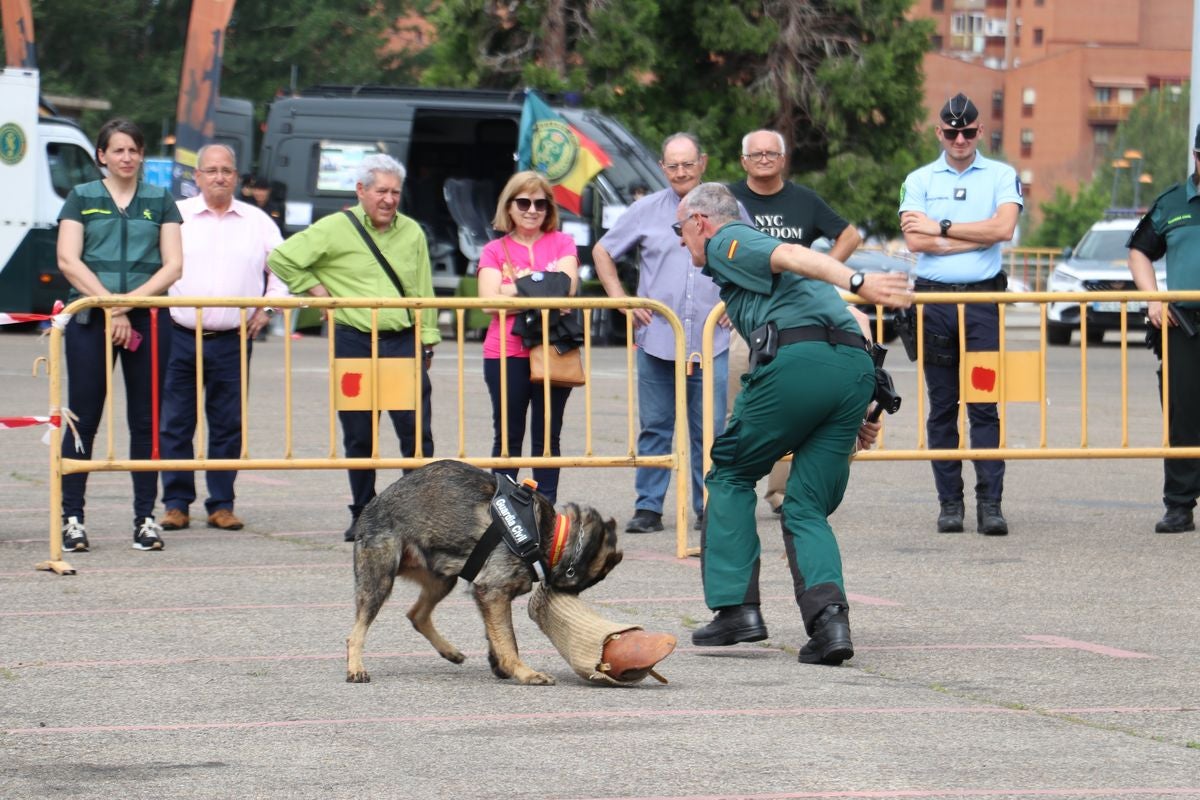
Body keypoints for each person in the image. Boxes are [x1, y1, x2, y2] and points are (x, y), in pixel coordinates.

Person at [677, 183, 912, 665]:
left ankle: (737, 610)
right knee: (805, 505)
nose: (682, 240)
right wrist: (867, 410)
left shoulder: (728, 240)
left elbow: (789, 252)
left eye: (681, 229)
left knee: (732, 474)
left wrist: (859, 281)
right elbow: (852, 321)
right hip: (853, 371)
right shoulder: (781, 282)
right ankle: (830, 625)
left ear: (700, 221)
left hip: (797, 367)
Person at [267, 154, 440, 541]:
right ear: (361, 191)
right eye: (381, 190)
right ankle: (364, 511)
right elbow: (280, 258)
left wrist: (428, 339)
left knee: (414, 433)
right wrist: (318, 291)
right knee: (359, 433)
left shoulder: (411, 232)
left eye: (395, 192)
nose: (389, 199)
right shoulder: (334, 228)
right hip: (355, 341)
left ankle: (415, 515)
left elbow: (423, 288)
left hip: (400, 342)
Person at [593, 133, 743, 533]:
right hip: (657, 338)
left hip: (711, 341)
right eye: (673, 165)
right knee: (655, 426)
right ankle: (648, 508)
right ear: (662, 168)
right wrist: (622, 301)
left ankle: (709, 505)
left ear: (703, 163)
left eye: (688, 164)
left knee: (709, 430)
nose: (681, 172)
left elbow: (756, 255)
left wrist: (737, 300)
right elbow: (603, 252)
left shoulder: (728, 207)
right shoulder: (645, 210)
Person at [55, 118, 183, 552]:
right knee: (82, 419)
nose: (127, 157)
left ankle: (145, 519)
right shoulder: (81, 198)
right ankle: (72, 518)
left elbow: (173, 265)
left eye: (134, 150)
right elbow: (69, 260)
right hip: (91, 319)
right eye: (118, 150)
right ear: (102, 156)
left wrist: (128, 305)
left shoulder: (160, 199)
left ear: (142, 155)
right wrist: (111, 306)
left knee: (146, 422)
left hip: (147, 320)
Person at [898, 92, 1021, 536]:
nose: (960, 139)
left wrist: (943, 227)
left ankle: (991, 504)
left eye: (968, 131)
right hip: (935, 305)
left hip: (982, 305)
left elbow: (1003, 228)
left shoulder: (1002, 175)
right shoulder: (919, 179)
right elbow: (915, 241)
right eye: (951, 132)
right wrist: (977, 237)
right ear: (939, 133)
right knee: (942, 407)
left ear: (980, 131)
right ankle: (950, 503)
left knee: (984, 405)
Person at [728, 128, 863, 514]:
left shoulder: (804, 200)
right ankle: (731, 489)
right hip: (746, 319)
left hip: (796, 321)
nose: (765, 159)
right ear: (744, 162)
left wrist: (820, 274)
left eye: (772, 153)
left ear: (783, 159)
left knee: (793, 407)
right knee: (739, 406)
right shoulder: (731, 201)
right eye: (756, 154)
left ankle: (783, 493)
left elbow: (849, 236)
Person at [158, 144, 289, 534]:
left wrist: (269, 308)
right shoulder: (176, 216)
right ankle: (176, 503)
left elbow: (283, 268)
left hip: (232, 338)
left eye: (227, 171)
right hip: (179, 334)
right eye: (211, 170)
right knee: (175, 423)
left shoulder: (257, 221)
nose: (219, 177)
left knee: (227, 423)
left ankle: (221, 504)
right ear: (196, 177)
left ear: (237, 177)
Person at [476, 171, 579, 504]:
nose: (532, 209)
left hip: (553, 348)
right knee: (507, 436)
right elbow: (489, 302)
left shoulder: (563, 242)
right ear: (509, 206)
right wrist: (539, 285)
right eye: (523, 202)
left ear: (549, 208)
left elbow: (566, 289)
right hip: (505, 351)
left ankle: (545, 508)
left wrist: (514, 289)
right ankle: (502, 509)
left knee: (549, 436)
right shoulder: (494, 249)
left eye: (540, 203)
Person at [1126, 125, 1200, 534]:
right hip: (1185, 326)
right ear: (1196, 156)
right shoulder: (1173, 203)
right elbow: (1139, 251)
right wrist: (1153, 299)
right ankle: (1179, 504)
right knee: (1181, 416)